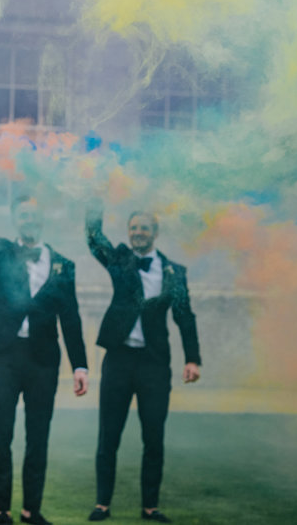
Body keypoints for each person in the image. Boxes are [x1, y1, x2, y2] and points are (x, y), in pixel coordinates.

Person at [0, 183, 89, 525]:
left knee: (38, 436)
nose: (29, 218)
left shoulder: (63, 265)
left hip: (44, 359)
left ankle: (32, 510)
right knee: (2, 434)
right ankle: (2, 510)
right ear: (16, 219)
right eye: (23, 214)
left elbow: (71, 317)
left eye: (34, 213)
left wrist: (81, 365)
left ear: (42, 218)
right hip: (4, 356)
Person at [85, 200, 201, 523]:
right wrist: (93, 195)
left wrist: (192, 359)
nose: (138, 232)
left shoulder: (174, 272)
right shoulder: (120, 260)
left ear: (155, 233)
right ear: (128, 232)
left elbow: (184, 316)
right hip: (118, 360)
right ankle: (102, 505)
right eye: (133, 227)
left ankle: (150, 507)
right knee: (108, 435)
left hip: (153, 364)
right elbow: (94, 238)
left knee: (154, 437)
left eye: (144, 228)